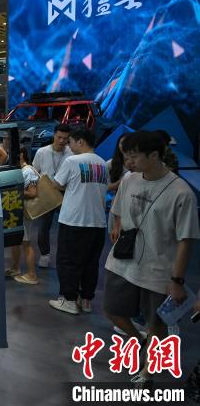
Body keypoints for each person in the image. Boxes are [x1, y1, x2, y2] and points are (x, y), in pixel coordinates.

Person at [104, 131, 200, 387]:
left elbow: (186, 240)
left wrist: (177, 280)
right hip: (123, 261)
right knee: (112, 309)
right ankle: (140, 340)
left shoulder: (181, 193)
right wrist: (118, 224)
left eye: (133, 157)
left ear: (155, 155)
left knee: (156, 322)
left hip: (158, 269)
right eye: (126, 156)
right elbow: (119, 209)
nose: (128, 162)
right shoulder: (129, 179)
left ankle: (148, 371)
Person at [48, 129, 108, 315]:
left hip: (74, 220)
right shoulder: (102, 163)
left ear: (80, 141)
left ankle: (69, 300)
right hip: (98, 223)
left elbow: (57, 183)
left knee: (68, 261)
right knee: (91, 263)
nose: (69, 146)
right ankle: (86, 299)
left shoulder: (72, 161)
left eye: (71, 142)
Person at [32, 123, 72, 268]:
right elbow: (34, 171)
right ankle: (45, 255)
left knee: (68, 226)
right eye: (59, 137)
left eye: (65, 138)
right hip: (46, 193)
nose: (61, 141)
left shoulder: (71, 153)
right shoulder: (42, 152)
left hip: (66, 193)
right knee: (43, 227)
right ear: (54, 135)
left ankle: (66, 255)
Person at [6, 147, 40, 285]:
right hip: (18, 210)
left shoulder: (28, 171)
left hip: (25, 212)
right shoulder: (21, 170)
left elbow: (33, 193)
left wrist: (15, 190)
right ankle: (15, 268)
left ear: (21, 155)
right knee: (16, 241)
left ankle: (32, 275)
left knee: (26, 243)